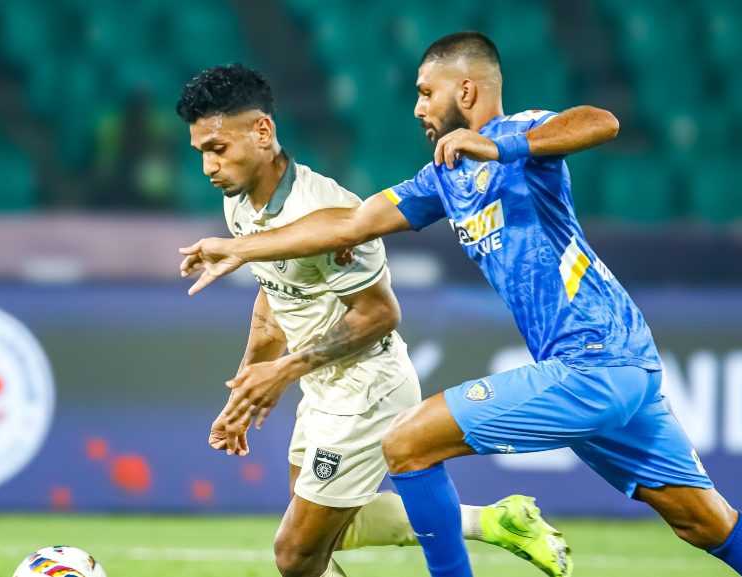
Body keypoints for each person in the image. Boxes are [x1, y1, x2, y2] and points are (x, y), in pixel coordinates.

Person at [179, 35, 742, 577]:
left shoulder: (517, 133)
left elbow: (601, 122)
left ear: (467, 89)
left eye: (427, 93)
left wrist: (507, 148)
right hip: (613, 367)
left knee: (409, 441)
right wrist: (240, 248)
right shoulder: (443, 177)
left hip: (596, 359)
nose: (418, 108)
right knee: (704, 522)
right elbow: (351, 223)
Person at [175, 63, 572, 577]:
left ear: (263, 132)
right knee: (328, 532)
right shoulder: (243, 207)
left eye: (218, 148)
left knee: (295, 554)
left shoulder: (328, 212)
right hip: (321, 384)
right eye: (201, 152)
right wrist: (246, 386)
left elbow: (380, 314)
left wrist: (283, 371)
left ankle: (489, 524)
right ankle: (495, 522)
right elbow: (274, 300)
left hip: (365, 387)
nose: (208, 166)